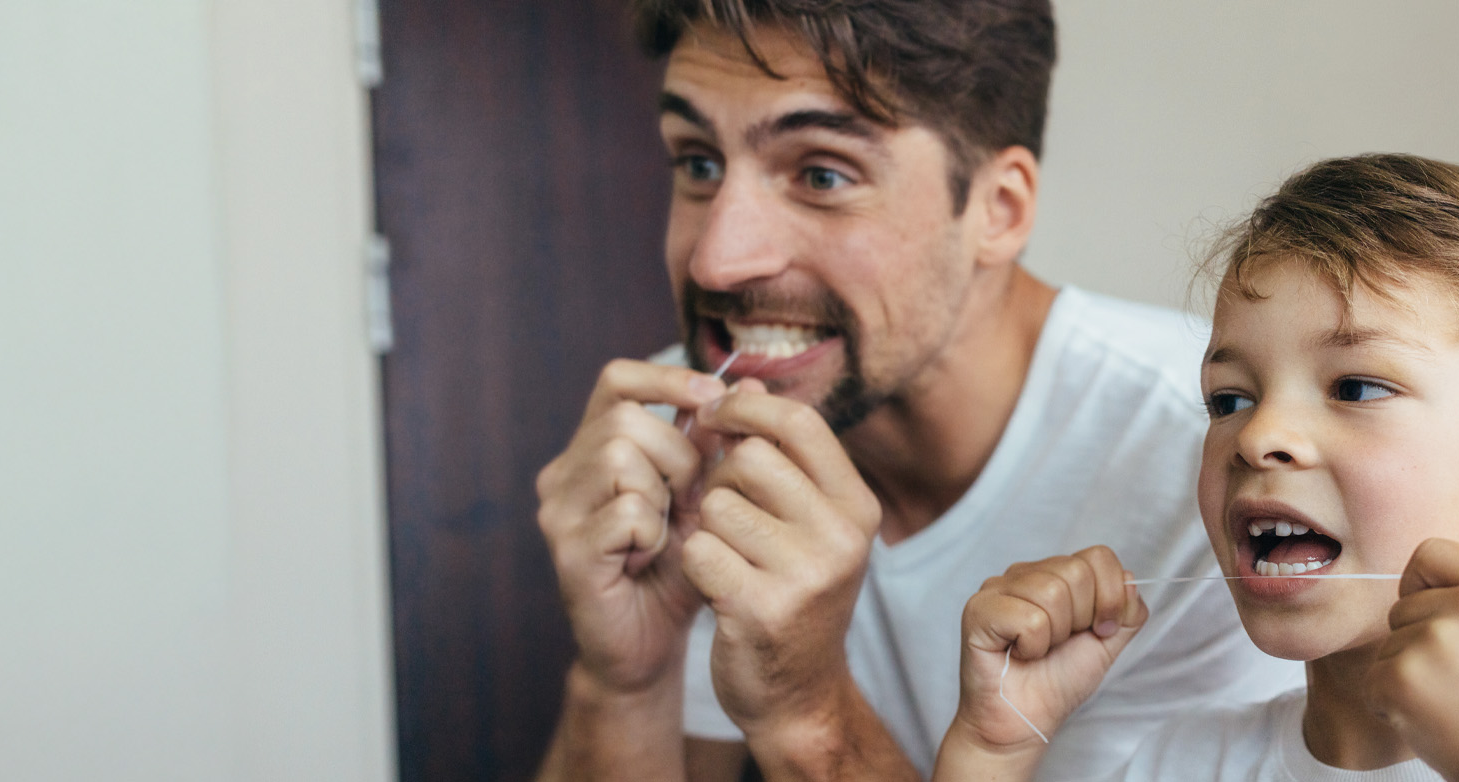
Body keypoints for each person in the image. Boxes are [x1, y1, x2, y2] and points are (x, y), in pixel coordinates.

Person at [528, 1, 1302, 780]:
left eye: (822, 175)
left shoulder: (1219, 464)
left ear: (998, 210)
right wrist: (624, 681)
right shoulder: (685, 435)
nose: (716, 263)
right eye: (698, 163)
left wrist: (807, 712)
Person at [932, 154, 1459, 781]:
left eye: (1355, 387)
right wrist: (992, 750)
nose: (1258, 437)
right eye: (1228, 399)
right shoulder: (1178, 764)